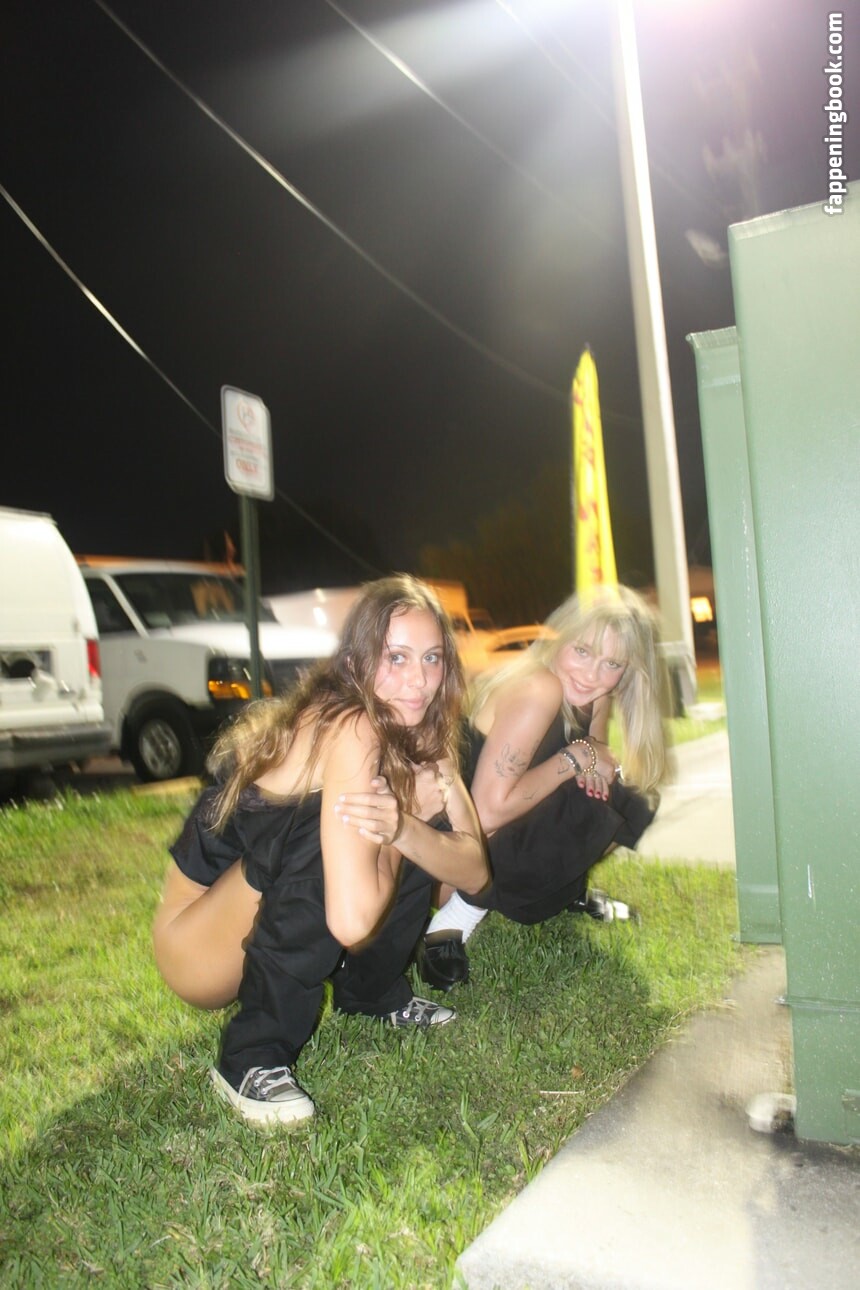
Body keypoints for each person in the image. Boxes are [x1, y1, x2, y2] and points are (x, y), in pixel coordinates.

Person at [152, 575, 487, 1125]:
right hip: (194, 945)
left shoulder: (421, 731)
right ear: (355, 663)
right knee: (339, 828)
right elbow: (351, 922)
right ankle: (250, 1058)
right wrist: (404, 823)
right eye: (396, 658)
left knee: (401, 826)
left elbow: (474, 870)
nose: (419, 681)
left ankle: (373, 994)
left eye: (432, 658)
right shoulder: (351, 725)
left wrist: (409, 829)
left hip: (249, 920)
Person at [411, 584, 670, 991]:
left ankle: (568, 890)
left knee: (629, 800)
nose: (591, 674)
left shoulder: (594, 692)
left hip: (503, 839)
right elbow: (486, 812)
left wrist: (590, 763)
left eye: (611, 663)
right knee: (585, 808)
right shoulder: (539, 686)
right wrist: (576, 759)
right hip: (457, 861)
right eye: (582, 651)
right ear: (560, 637)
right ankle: (453, 921)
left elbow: (594, 763)